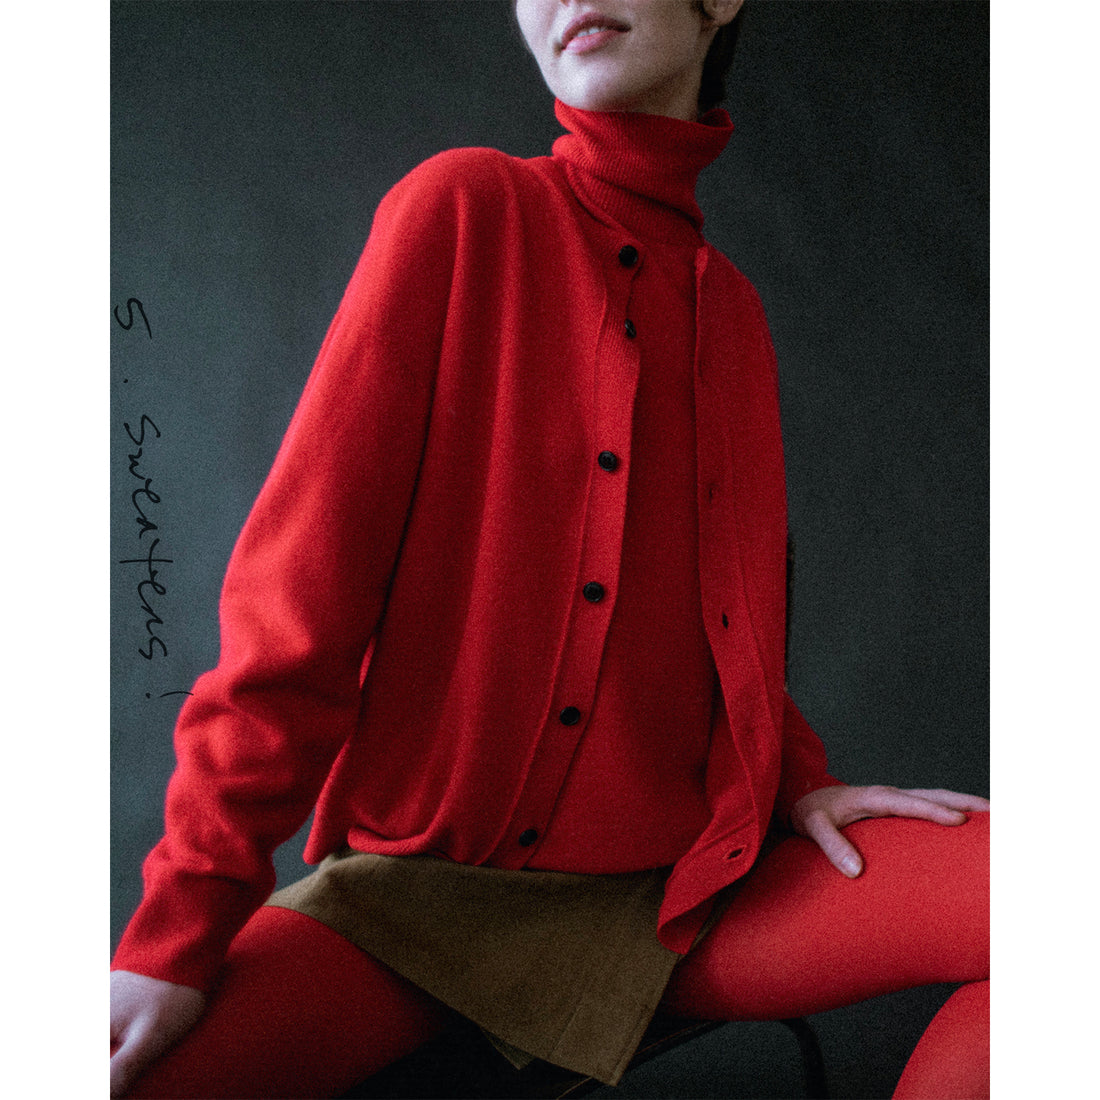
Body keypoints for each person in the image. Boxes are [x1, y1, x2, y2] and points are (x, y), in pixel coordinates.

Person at [110, 2, 990, 1097]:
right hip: (412, 908)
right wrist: (174, 934)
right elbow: (295, 615)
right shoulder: (461, 210)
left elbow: (727, 624)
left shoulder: (732, 313)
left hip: (682, 903)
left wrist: (798, 782)